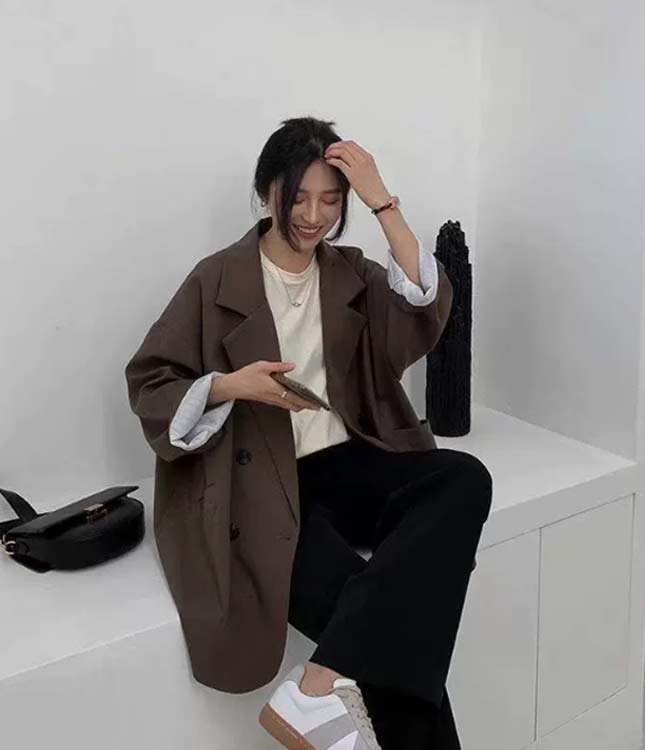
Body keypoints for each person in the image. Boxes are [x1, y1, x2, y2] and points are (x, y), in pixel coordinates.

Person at [124, 116, 492, 750]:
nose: (314, 216)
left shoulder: (349, 271)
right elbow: (150, 382)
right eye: (298, 197)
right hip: (262, 486)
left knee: (464, 478)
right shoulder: (215, 279)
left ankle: (317, 682)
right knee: (392, 634)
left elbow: (422, 309)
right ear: (267, 192)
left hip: (349, 462)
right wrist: (230, 386)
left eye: (331, 199)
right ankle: (321, 693)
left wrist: (382, 201)